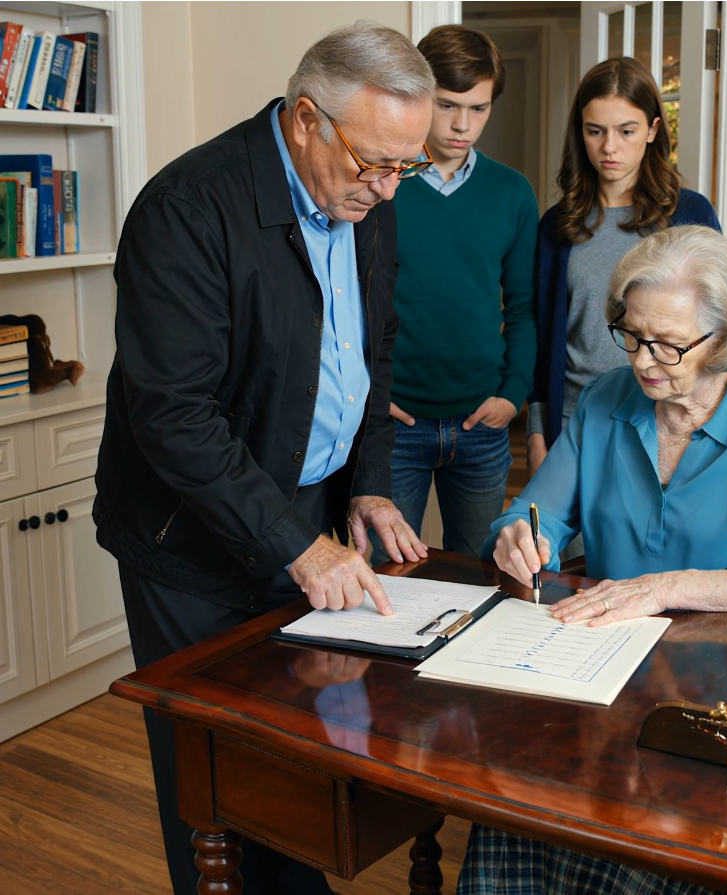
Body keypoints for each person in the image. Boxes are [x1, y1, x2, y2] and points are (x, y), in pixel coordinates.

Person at [93, 22, 436, 895]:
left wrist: (365, 486)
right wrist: (301, 542)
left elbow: (373, 356)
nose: (389, 189)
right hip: (193, 544)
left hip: (306, 518)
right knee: (214, 786)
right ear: (305, 119)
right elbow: (172, 415)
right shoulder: (188, 207)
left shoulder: (369, 201)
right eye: (374, 163)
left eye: (408, 167)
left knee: (298, 759)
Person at [458, 225, 727, 895]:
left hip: (718, 703)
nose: (643, 361)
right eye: (632, 335)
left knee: (653, 842)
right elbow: (538, 512)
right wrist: (516, 535)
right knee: (508, 801)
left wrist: (663, 587)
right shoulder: (607, 401)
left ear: (726, 340)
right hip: (593, 682)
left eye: (668, 343)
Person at [370, 24, 539, 563]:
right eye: (447, 105)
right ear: (418, 96)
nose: (463, 125)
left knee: (484, 576)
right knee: (388, 581)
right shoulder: (379, 182)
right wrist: (373, 393)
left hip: (482, 425)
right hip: (396, 426)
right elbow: (344, 298)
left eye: (479, 108)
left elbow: (525, 307)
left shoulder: (511, 193)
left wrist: (512, 394)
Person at [527, 56, 721, 479]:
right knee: (561, 544)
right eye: (594, 131)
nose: (609, 147)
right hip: (576, 418)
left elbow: (718, 325)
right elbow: (542, 334)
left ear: (652, 130)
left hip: (667, 417)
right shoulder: (557, 226)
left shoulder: (690, 213)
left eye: (626, 131)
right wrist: (537, 432)